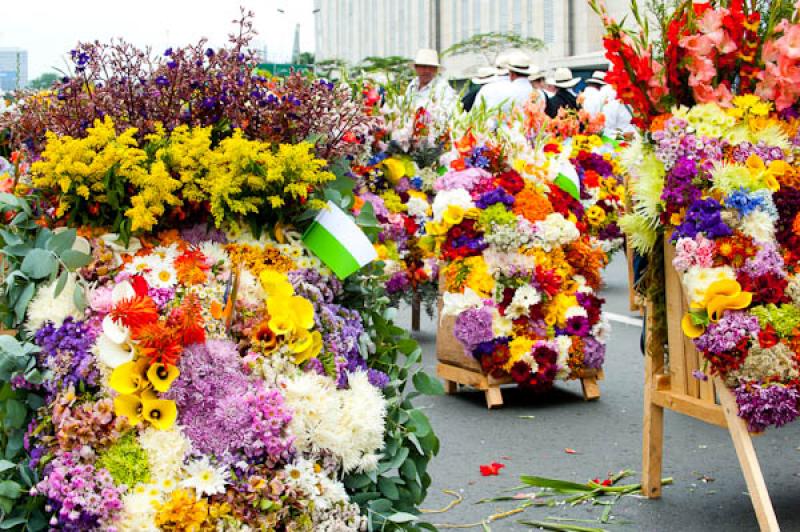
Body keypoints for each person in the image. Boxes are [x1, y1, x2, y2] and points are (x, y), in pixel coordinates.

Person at [405, 48, 457, 113]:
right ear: (416, 68)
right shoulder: (412, 85)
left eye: (431, 67)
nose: (427, 71)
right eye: (423, 66)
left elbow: (450, 112)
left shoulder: (443, 88)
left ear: (436, 70)